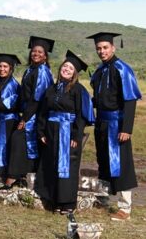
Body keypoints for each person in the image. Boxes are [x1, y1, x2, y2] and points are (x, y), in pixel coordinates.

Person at [88, 32, 141, 221]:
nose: (102, 51)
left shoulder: (122, 69)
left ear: (113, 48)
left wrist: (126, 128)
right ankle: (103, 199)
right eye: (99, 49)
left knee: (121, 164)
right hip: (101, 123)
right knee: (103, 161)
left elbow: (130, 100)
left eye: (105, 48)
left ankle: (125, 207)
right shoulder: (100, 71)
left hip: (117, 125)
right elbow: (98, 99)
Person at [35, 51, 93, 213]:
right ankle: (53, 200)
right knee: (52, 165)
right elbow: (43, 112)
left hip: (68, 132)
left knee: (67, 167)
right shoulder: (51, 89)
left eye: (70, 68)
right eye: (65, 66)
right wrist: (41, 133)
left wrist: (76, 135)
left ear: (75, 73)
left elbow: (81, 115)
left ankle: (67, 204)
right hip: (51, 131)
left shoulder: (78, 90)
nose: (66, 69)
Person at [9, 36, 54, 183]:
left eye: (40, 52)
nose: (36, 54)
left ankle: (14, 177)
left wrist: (24, 119)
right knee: (21, 142)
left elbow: (37, 99)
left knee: (19, 139)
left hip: (36, 115)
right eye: (34, 51)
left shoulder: (42, 71)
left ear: (45, 55)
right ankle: (24, 175)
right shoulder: (31, 70)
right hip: (29, 112)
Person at [0, 53, 22, 187]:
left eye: (5, 66)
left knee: (4, 148)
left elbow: (8, 104)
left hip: (8, 120)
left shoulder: (12, 84)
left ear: (11, 68)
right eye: (0, 66)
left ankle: (5, 175)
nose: (2, 69)